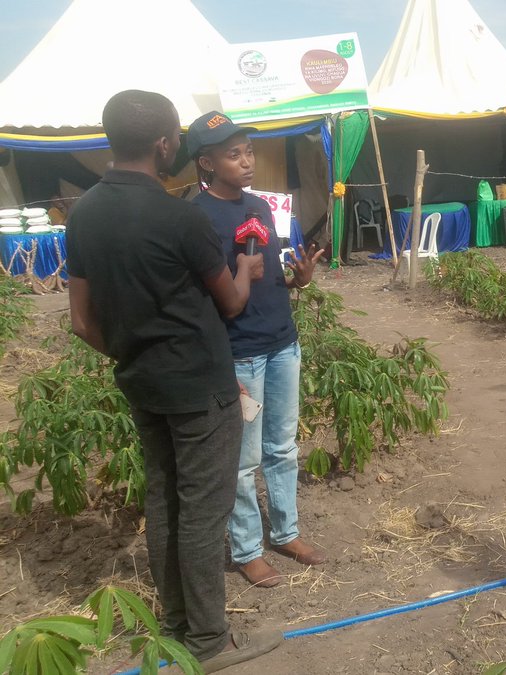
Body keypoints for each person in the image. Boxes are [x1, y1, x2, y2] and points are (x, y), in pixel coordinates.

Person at [66, 90, 281, 671]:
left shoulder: (84, 212)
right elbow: (232, 303)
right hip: (202, 388)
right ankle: (209, 642)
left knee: (164, 504)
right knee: (203, 513)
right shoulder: (178, 215)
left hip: (143, 383)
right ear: (166, 145)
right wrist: (246, 266)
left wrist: (134, 354)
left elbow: (81, 321)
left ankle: (174, 625)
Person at [187, 111, 327, 588]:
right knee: (244, 461)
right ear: (206, 163)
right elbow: (213, 295)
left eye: (248, 151)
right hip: (240, 352)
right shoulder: (197, 218)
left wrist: (298, 280)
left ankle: (286, 532)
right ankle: (247, 549)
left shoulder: (261, 208)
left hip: (282, 342)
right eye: (233, 154)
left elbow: (270, 278)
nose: (246, 161)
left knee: (283, 447)